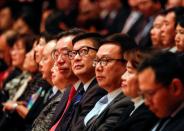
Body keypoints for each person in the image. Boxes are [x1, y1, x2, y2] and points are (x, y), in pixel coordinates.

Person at [54, 32, 107, 131]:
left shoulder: (99, 90)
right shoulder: (79, 90)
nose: (76, 58)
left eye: (83, 51)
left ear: (99, 56)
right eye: (73, 53)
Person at [84, 33, 135, 131]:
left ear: (127, 64)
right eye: (97, 61)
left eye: (105, 60)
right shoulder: (103, 97)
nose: (98, 67)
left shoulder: (125, 103)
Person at [138, 51, 184, 131]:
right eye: (143, 95)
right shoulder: (161, 113)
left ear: (175, 87)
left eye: (150, 94)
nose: (146, 102)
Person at [114, 48, 158, 131]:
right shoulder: (132, 105)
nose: (123, 77)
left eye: (130, 72)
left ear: (145, 76)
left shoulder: (147, 114)